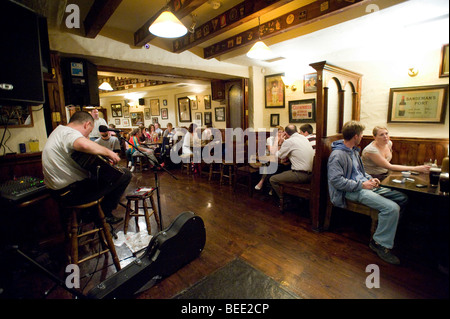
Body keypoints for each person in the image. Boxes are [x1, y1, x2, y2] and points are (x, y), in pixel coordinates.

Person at [328, 121, 408, 265]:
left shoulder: (353, 151)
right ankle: (379, 243)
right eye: (361, 135)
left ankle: (388, 229)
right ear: (356, 136)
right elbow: (336, 181)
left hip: (363, 185)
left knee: (402, 198)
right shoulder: (338, 155)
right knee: (392, 207)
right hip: (351, 191)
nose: (362, 137)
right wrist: (362, 184)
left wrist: (371, 179)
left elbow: (361, 172)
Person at [42, 111, 131, 224]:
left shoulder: (59, 131)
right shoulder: (68, 133)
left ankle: (93, 213)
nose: (87, 136)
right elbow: (83, 144)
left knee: (103, 175)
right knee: (124, 174)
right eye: (88, 132)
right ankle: (102, 214)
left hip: (58, 192)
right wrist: (109, 152)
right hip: (71, 193)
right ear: (86, 124)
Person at [362, 126, 430, 181]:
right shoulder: (371, 150)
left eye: (386, 133)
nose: (385, 136)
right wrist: (416, 168)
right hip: (372, 177)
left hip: (386, 173)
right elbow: (390, 166)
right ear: (375, 137)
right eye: (381, 135)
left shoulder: (388, 143)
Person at [269, 124, 314, 200]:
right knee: (285, 170)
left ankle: (285, 200)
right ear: (296, 131)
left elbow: (278, 156)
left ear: (286, 134)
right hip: (312, 174)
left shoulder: (289, 141)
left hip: (301, 174)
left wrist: (280, 142)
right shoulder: (303, 138)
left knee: (273, 179)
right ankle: (289, 197)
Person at [255, 125, 285, 191]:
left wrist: (280, 142)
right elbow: (272, 152)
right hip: (267, 156)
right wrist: (278, 143)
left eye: (282, 132)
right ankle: (263, 182)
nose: (280, 134)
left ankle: (268, 186)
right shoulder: (270, 139)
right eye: (279, 132)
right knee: (268, 165)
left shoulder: (284, 140)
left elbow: (280, 152)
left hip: (276, 158)